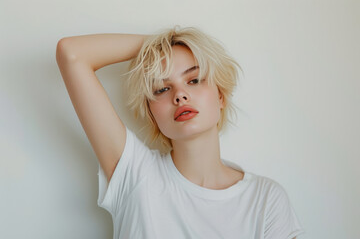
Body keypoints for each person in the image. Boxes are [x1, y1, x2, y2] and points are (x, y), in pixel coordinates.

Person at [56, 26, 305, 239]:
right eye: (162, 89)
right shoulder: (134, 175)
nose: (180, 94)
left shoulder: (265, 199)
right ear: (152, 115)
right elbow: (71, 54)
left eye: (194, 80)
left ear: (220, 96)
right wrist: (161, 44)